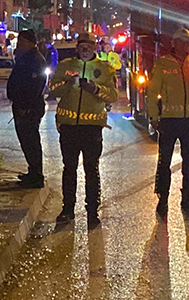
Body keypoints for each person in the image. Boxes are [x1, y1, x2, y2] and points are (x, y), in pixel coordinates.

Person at [48, 32, 117, 229]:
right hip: (69, 127)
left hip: (92, 129)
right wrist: (67, 84)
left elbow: (112, 95)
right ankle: (67, 209)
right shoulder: (66, 66)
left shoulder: (105, 69)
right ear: (77, 48)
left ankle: (92, 211)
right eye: (82, 46)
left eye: (89, 46)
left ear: (95, 47)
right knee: (69, 169)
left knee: (91, 169)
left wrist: (95, 89)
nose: (85, 50)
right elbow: (53, 89)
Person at [148, 28, 189, 218]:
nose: (184, 45)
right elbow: (152, 92)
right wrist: (153, 117)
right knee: (164, 161)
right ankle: (162, 198)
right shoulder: (163, 64)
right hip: (169, 120)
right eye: (181, 41)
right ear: (174, 43)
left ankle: (187, 196)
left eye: (187, 42)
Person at [7, 29, 47, 189]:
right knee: (26, 142)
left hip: (29, 109)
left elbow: (35, 86)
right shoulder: (25, 58)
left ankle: (36, 175)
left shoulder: (35, 60)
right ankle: (32, 172)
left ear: (31, 43)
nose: (19, 45)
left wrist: (25, 107)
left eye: (22, 42)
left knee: (31, 142)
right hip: (22, 106)